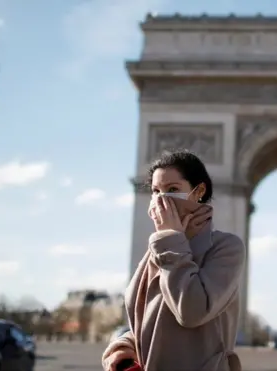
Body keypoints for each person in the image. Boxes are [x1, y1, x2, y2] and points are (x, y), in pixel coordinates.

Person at [101, 150, 246, 371]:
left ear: (199, 191)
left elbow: (191, 311)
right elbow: (147, 321)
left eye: (172, 190)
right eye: (155, 191)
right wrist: (123, 348)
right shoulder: (156, 252)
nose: (161, 200)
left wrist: (170, 238)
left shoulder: (226, 248)